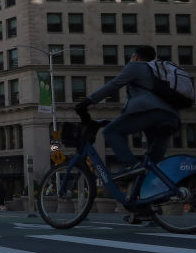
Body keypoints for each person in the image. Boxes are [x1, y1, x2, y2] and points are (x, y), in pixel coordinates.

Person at [75, 44, 180, 177]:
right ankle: (159, 191)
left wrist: (86, 102)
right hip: (171, 117)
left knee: (111, 131)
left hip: (150, 112)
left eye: (131, 56)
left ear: (135, 57)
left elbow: (113, 85)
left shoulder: (136, 66)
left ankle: (131, 165)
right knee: (153, 165)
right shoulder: (161, 71)